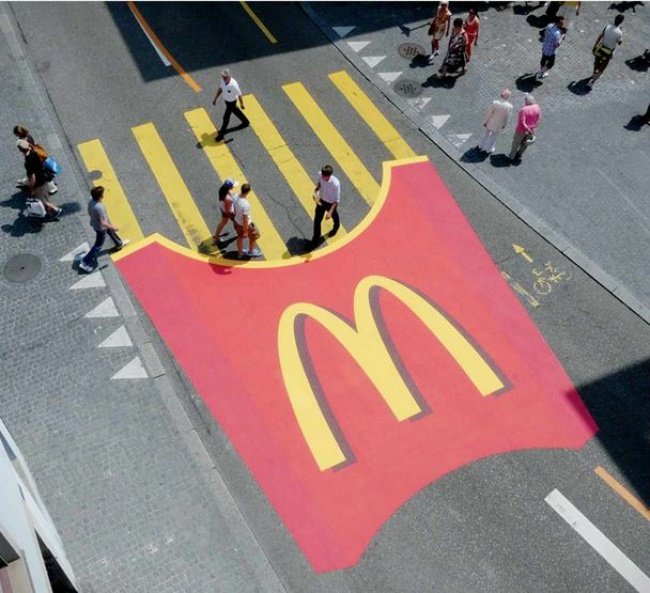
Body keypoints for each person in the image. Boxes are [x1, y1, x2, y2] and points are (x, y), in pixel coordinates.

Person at [78, 186, 127, 273]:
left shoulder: (91, 200)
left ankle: (119, 243)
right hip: (101, 228)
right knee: (98, 246)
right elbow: (103, 223)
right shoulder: (99, 207)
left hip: (96, 224)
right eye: (102, 194)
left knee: (110, 232)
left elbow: (89, 211)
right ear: (100, 196)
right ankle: (85, 262)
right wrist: (113, 227)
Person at [16, 139, 62, 218]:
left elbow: (32, 177)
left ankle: (56, 210)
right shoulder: (34, 152)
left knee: (40, 199)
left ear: (20, 150)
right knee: (45, 195)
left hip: (38, 183)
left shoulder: (28, 161)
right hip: (43, 178)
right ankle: (49, 211)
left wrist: (31, 188)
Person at [13, 125, 57, 195]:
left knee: (42, 174)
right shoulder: (29, 136)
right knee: (40, 173)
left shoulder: (22, 141)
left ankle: (52, 187)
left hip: (35, 158)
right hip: (37, 156)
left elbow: (27, 150)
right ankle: (25, 182)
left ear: (18, 134)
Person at [212, 68, 249, 141]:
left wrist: (242, 104)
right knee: (236, 111)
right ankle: (246, 122)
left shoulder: (233, 85)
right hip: (227, 101)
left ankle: (221, 135)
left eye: (225, 77)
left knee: (225, 118)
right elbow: (221, 88)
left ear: (229, 76)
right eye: (223, 77)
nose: (223, 78)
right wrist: (215, 98)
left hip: (232, 102)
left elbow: (239, 94)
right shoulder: (223, 81)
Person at [587, 14, 624, 88]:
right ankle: (592, 81)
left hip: (600, 48)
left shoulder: (607, 27)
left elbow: (600, 36)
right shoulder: (619, 32)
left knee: (596, 62)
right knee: (603, 67)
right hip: (608, 52)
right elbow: (619, 43)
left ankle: (594, 73)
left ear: (615, 19)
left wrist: (595, 45)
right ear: (621, 22)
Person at [310, 165, 341, 249]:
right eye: (322, 175)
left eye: (324, 176)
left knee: (335, 217)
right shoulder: (320, 174)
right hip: (321, 201)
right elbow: (320, 183)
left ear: (329, 175)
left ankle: (335, 228)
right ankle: (315, 240)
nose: (322, 177)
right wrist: (317, 190)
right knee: (317, 221)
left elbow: (336, 200)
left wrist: (330, 212)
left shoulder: (335, 184)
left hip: (330, 204)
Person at [478, 89, 513, 154]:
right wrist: (504, 125)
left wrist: (485, 121)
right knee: (493, 137)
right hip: (499, 124)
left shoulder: (495, 103)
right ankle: (488, 149)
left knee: (486, 133)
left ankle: (481, 146)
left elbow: (489, 113)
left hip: (491, 122)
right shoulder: (510, 107)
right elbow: (507, 117)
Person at [509, 95, 542, 162]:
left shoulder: (523, 110)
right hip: (531, 130)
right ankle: (519, 154)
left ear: (527, 102)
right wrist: (533, 127)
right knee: (525, 143)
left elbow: (522, 122)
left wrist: (527, 128)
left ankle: (512, 156)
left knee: (516, 143)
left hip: (521, 130)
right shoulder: (537, 108)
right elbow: (539, 119)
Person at [232, 183, 261, 258]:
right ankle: (251, 251)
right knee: (254, 236)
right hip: (244, 224)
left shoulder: (235, 196)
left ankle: (240, 253)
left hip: (236, 222)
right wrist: (245, 231)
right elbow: (245, 219)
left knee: (239, 237)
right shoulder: (245, 205)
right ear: (248, 192)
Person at [535, 16, 564, 80]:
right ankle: (540, 73)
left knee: (543, 59)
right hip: (551, 51)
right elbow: (557, 45)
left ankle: (542, 71)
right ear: (558, 23)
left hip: (545, 47)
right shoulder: (557, 33)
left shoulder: (549, 25)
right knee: (551, 63)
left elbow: (545, 34)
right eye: (561, 23)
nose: (562, 24)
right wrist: (562, 36)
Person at [213, 178, 238, 244]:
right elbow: (228, 210)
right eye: (233, 185)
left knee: (223, 222)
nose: (234, 186)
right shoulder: (228, 199)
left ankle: (216, 236)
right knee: (235, 223)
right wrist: (233, 217)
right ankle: (240, 233)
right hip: (227, 211)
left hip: (222, 207)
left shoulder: (222, 189)